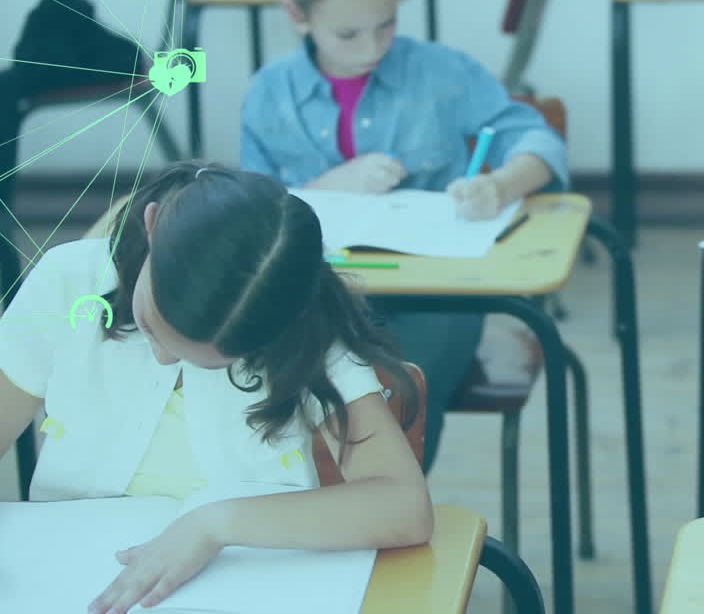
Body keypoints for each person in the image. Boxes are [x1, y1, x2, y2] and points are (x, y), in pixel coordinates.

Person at [0, 163, 433, 614]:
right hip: (65, 580)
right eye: (151, 327)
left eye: (202, 359)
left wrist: (214, 524)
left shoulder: (302, 329)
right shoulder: (69, 281)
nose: (164, 358)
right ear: (153, 224)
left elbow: (403, 505)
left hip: (252, 591)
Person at [240, 0, 570, 470]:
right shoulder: (269, 94)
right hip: (316, 299)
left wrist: (501, 184)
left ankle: (386, 514)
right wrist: (327, 187)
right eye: (348, 33)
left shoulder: (441, 73)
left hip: (433, 298)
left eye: (387, 23)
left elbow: (540, 139)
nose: (372, 46)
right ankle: (313, 518)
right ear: (297, 15)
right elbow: (248, 214)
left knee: (399, 392)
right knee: (279, 391)